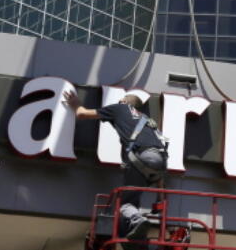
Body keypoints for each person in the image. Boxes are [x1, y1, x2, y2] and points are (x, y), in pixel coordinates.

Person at [65, 88, 168, 241]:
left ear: (124, 102)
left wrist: (75, 104)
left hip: (140, 158)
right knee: (133, 203)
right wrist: (160, 197)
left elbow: (82, 113)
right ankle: (134, 244)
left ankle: (137, 221)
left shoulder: (120, 108)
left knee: (125, 206)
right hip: (160, 162)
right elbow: (158, 162)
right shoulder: (148, 122)